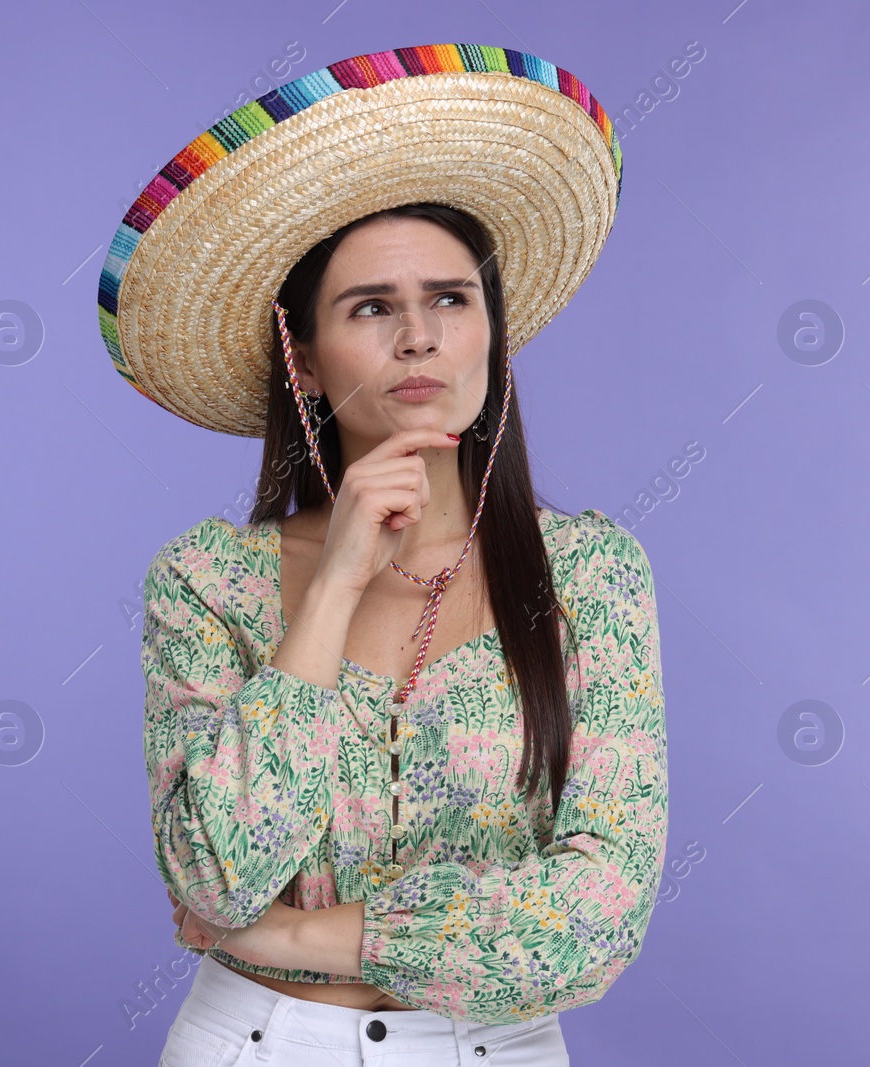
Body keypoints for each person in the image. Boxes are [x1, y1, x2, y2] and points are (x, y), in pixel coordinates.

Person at [97, 43, 666, 1066]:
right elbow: (215, 874)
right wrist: (335, 584)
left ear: (492, 333)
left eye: (450, 298)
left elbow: (600, 908)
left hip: (498, 1048)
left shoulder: (593, 574)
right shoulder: (205, 580)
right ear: (304, 360)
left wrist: (301, 935)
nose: (419, 337)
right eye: (372, 308)